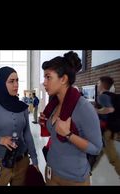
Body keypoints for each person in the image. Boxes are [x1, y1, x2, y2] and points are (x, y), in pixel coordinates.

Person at [39, 51, 102, 186]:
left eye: (48, 77)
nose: (44, 83)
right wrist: (45, 122)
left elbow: (96, 148)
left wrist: (68, 135)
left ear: (63, 79)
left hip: (73, 178)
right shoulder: (53, 105)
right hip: (51, 172)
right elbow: (55, 135)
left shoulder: (83, 108)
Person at [0, 66, 39, 186]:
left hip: (22, 162)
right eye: (11, 81)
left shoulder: (22, 106)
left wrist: (34, 159)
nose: (16, 85)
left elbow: (27, 134)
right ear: (1, 83)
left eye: (17, 80)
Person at [95, 76, 120, 176]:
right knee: (97, 153)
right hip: (111, 131)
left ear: (102, 84)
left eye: (98, 83)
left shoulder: (102, 96)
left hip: (107, 132)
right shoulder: (112, 96)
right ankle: (87, 172)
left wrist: (95, 111)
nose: (97, 85)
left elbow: (110, 110)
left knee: (113, 158)